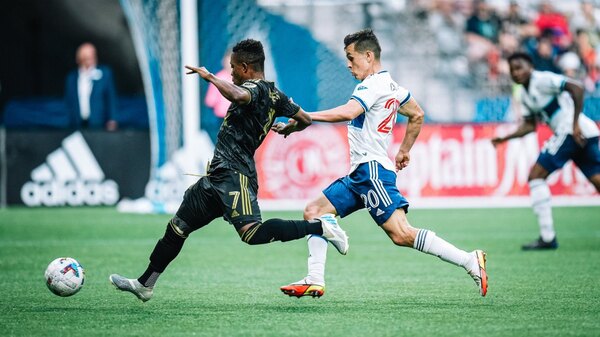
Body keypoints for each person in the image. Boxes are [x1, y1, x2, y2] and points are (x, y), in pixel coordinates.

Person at [109, 39, 349, 302]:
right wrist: (290, 127)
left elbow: (238, 95)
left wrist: (209, 76)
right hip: (216, 177)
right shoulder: (276, 95)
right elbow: (305, 118)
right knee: (178, 227)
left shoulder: (253, 89)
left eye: (234, 68)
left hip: (236, 176)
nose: (231, 73)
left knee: (252, 234)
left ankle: (319, 228)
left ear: (246, 68)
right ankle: (146, 283)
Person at [273, 29, 488, 298]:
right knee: (314, 211)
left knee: (402, 234)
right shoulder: (394, 88)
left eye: (351, 58)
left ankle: (469, 260)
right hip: (360, 174)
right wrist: (404, 151)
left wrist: (303, 116)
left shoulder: (370, 85)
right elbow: (417, 114)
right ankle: (315, 278)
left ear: (368, 55)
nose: (349, 65)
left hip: (371, 172)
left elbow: (349, 111)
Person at [492, 52, 600, 250]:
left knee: (536, 176)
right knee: (597, 180)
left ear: (530, 67)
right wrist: (504, 138)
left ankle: (548, 237)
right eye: (512, 70)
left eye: (520, 67)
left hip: (571, 131)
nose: (516, 73)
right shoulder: (524, 94)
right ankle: (547, 237)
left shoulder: (541, 79)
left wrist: (574, 124)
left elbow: (577, 87)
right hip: (586, 132)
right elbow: (530, 126)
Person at [64, 42, 118, 130]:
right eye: (86, 57)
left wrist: (112, 119)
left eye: (92, 56)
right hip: (77, 122)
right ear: (79, 58)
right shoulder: (72, 77)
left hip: (98, 122)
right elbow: (69, 101)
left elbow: (111, 98)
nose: (90, 59)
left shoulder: (104, 73)